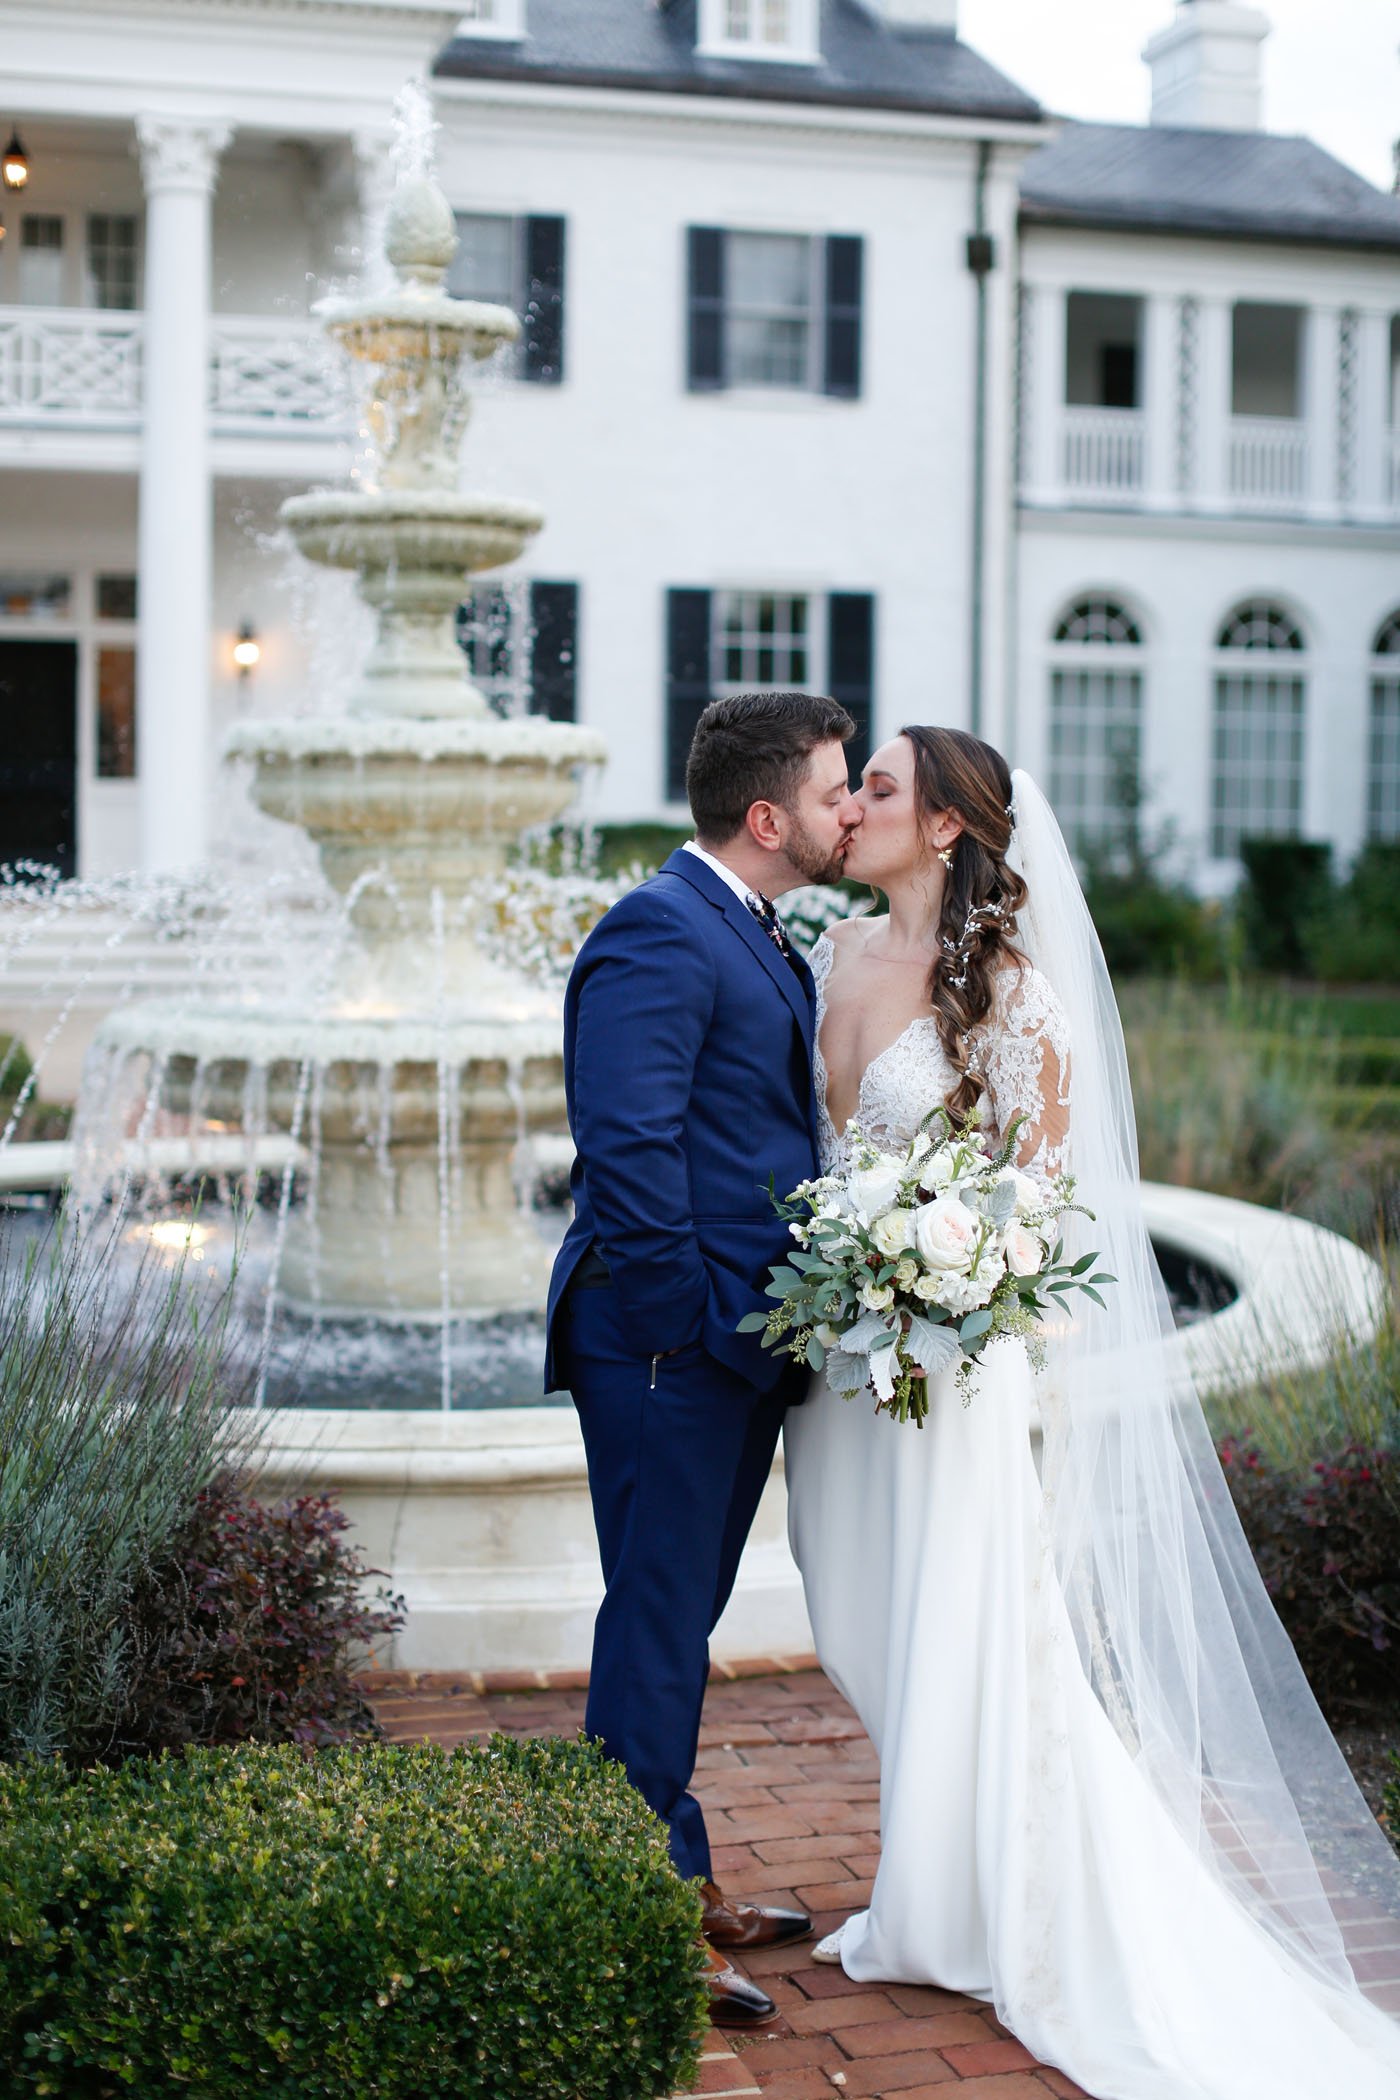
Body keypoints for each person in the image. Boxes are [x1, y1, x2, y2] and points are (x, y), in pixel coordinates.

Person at [784, 723, 1400, 2099]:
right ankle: (937, 1874)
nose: (853, 803)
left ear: (946, 827)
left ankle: (968, 1901)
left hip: (947, 1362)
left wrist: (938, 1262)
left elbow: (1041, 1198)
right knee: (857, 1608)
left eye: (879, 786)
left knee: (964, 1618)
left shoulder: (1010, 991)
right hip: (837, 1358)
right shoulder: (828, 949)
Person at [546, 690, 862, 2027]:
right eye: (840, 790)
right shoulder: (658, 932)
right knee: (660, 1623)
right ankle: (639, 1919)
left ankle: (676, 1876)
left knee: (673, 1621)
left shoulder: (758, 932)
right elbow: (626, 1153)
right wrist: (689, 1329)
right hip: (666, 1346)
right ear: (768, 814)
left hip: (726, 1348)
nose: (853, 811)